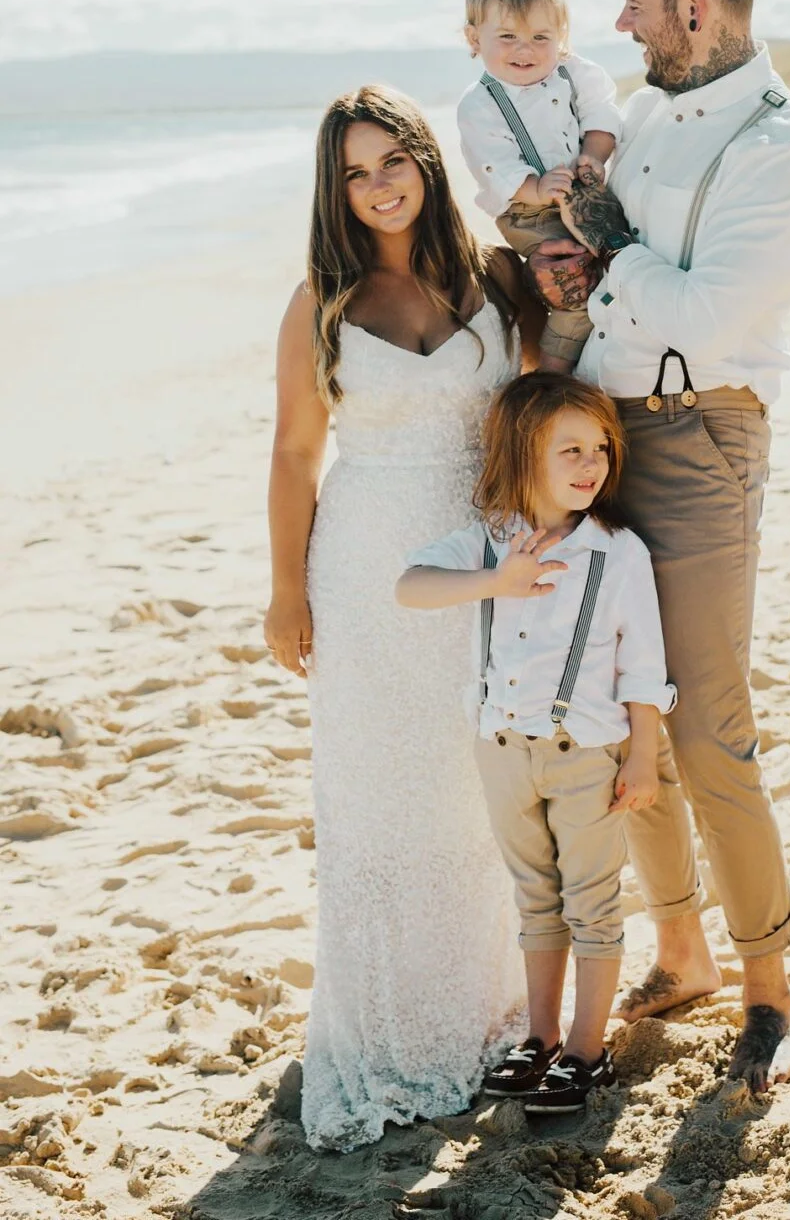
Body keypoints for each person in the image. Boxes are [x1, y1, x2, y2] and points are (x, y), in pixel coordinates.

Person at [530, 0, 790, 1094]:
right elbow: (634, 282)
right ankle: (682, 953)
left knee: (707, 727)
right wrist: (577, 260)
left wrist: (612, 255)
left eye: (636, 3)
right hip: (606, 435)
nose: (620, 23)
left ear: (694, 7)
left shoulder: (780, 151)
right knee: (625, 710)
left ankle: (769, 991)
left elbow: (706, 319)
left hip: (702, 435)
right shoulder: (649, 111)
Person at [263, 85, 544, 1152]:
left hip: (481, 564)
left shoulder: (496, 279)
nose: (378, 186)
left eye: (393, 161)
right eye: (354, 173)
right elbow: (296, 454)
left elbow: (543, 397)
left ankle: (484, 1008)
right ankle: (386, 1030)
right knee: (380, 802)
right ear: (334, 191)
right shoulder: (320, 302)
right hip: (365, 573)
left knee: (473, 793)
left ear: (426, 160)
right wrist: (286, 591)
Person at [396, 372, 676, 1115]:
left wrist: (642, 755)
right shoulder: (490, 538)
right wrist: (497, 582)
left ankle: (586, 1047)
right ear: (523, 455)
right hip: (501, 751)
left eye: (600, 449)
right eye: (570, 450)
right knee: (535, 897)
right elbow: (410, 587)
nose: (591, 465)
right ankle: (542, 1036)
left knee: (592, 901)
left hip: (585, 755)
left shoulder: (618, 552)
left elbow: (644, 665)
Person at [458, 0, 623, 372]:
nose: (525, 50)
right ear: (474, 39)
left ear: (560, 37)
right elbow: (496, 167)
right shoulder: (481, 104)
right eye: (507, 37)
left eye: (540, 37)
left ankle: (612, 358)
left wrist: (594, 155)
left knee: (623, 264)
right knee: (574, 285)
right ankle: (552, 376)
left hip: (583, 192)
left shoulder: (574, 72)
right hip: (529, 211)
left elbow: (602, 112)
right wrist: (536, 187)